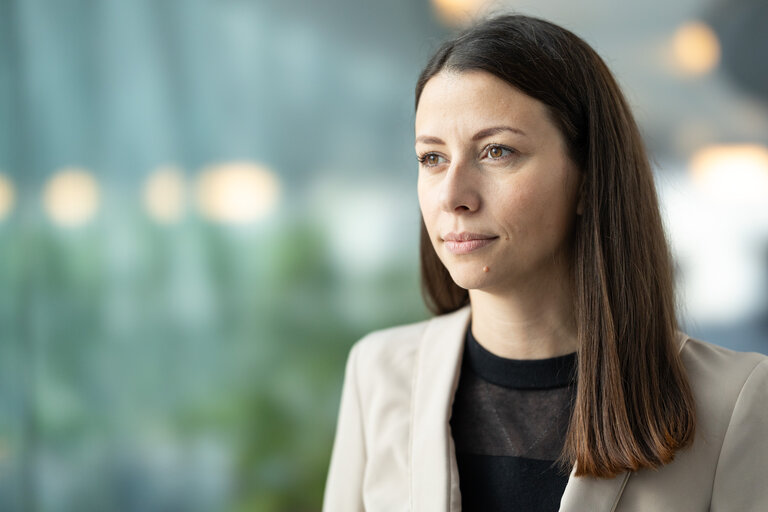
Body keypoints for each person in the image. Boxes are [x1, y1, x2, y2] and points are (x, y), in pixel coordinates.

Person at [322, 14, 768, 512]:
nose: (453, 196)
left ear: (588, 176)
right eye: (432, 158)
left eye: (496, 151)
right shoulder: (378, 374)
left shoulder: (734, 401)